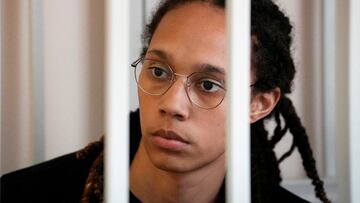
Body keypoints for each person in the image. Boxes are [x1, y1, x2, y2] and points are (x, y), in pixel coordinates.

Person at [1, 0, 331, 202]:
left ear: (258, 104)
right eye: (158, 71)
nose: (171, 104)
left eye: (208, 84)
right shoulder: (25, 195)